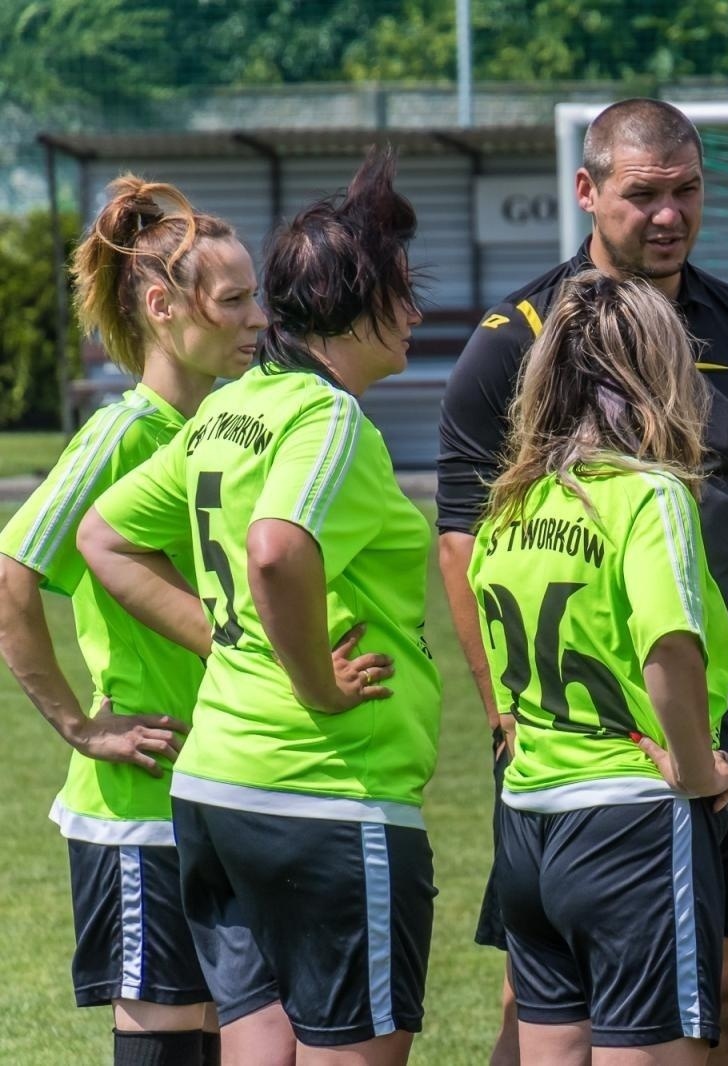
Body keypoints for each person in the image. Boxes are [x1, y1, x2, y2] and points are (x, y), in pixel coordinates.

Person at [437, 97, 728, 1066]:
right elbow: (463, 542)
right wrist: (502, 711)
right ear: (587, 191)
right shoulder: (514, 337)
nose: (669, 215)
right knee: (536, 1001)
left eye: (687, 191)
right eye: (644, 194)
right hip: (578, 722)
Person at [78, 149, 439, 1066]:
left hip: (216, 791)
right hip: (325, 789)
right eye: (404, 293)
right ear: (359, 302)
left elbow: (106, 539)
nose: (417, 315)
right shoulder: (327, 416)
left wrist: (230, 645)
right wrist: (314, 682)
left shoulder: (229, 410)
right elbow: (276, 550)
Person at [0, 178, 261, 1066]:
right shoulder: (119, 436)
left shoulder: (224, 430)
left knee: (231, 1030)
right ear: (162, 307)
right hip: (142, 806)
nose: (257, 319)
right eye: (235, 300)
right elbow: (11, 576)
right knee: (166, 1034)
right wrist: (80, 726)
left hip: (224, 786)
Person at [470, 269, 728, 1066]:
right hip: (631, 822)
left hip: (529, 824)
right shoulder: (650, 496)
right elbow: (669, 648)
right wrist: (698, 771)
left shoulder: (509, 505)